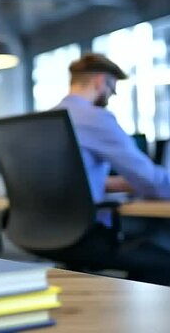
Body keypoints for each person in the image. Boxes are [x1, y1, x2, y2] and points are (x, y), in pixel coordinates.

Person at [54, 53, 170, 250]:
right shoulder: (95, 118)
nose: (112, 95)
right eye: (112, 88)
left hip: (47, 227)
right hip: (87, 231)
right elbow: (150, 180)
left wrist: (113, 183)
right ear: (100, 81)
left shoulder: (49, 119)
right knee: (162, 244)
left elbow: (64, 179)